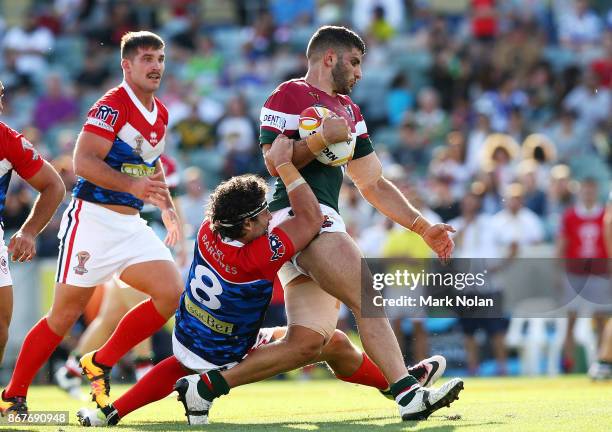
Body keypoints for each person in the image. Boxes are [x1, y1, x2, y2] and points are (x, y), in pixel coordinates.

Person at [179, 25, 462, 422]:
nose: (360, 73)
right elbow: (272, 160)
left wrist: (420, 226)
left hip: (312, 223)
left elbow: (373, 182)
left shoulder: (351, 110)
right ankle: (407, 393)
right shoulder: (288, 94)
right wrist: (317, 140)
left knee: (309, 343)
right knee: (367, 297)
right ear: (330, 58)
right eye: (356, 62)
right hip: (298, 216)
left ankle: (203, 389)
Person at [0, 31, 184, 415]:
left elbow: (151, 168)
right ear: (126, 65)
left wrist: (165, 204)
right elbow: (83, 162)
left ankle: (100, 361)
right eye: (147, 59)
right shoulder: (111, 105)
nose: (155, 66)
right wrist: (133, 184)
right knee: (64, 315)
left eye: (160, 59)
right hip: (92, 223)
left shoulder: (160, 112)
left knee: (170, 292)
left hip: (131, 225)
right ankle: (14, 393)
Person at [0, 81, 65, 368]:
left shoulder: (7, 140)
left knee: (1, 323)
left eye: (1, 97)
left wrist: (28, 230)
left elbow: (54, 185)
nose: (1, 106)